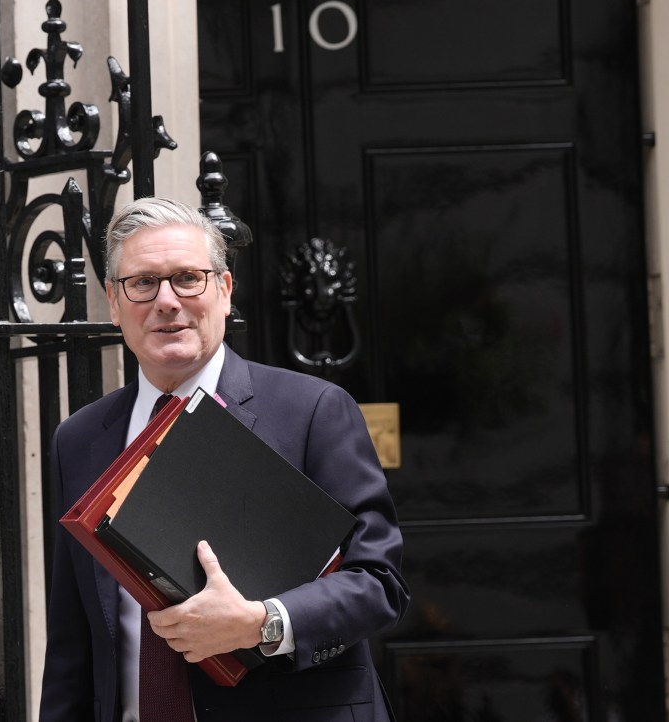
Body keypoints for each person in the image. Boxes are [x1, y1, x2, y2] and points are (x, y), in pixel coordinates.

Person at [40, 197, 409, 722]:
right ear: (114, 303)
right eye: (142, 283)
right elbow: (72, 642)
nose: (167, 301)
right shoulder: (78, 440)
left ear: (225, 289)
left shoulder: (312, 411)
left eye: (187, 278)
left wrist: (263, 623)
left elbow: (378, 582)